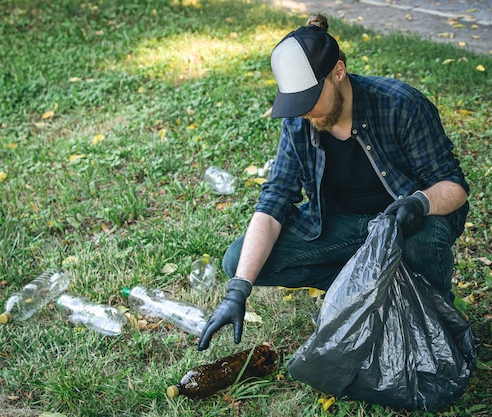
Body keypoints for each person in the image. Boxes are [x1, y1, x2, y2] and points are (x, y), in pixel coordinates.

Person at [197, 15, 469, 351]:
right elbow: (275, 199)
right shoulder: (301, 121)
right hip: (340, 226)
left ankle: (428, 312)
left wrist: (418, 203)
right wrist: (238, 289)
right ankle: (358, 291)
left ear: (338, 72)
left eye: (311, 98)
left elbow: (453, 185)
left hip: (407, 227)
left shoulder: (401, 104)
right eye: (297, 103)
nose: (305, 112)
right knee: (238, 260)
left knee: (423, 239)